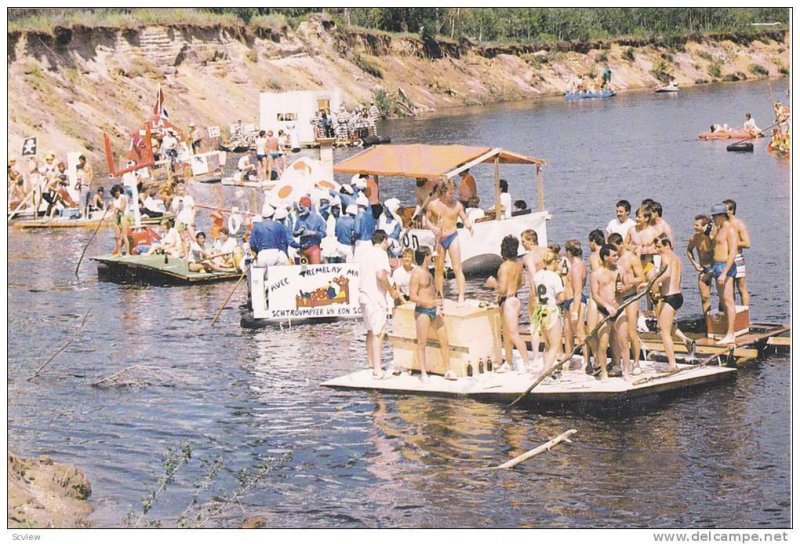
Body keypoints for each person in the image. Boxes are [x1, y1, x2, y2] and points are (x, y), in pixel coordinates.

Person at [358, 230, 402, 378]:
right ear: (384, 240)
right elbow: (381, 276)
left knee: (370, 330)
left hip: (364, 296)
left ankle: (371, 364)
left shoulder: (365, 254)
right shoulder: (381, 254)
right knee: (378, 332)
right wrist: (391, 291)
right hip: (375, 298)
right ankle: (377, 369)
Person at [408, 245, 455, 381]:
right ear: (425, 257)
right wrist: (430, 303)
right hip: (423, 311)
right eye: (430, 256)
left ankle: (448, 370)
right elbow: (412, 296)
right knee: (422, 343)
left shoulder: (428, 271)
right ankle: (423, 373)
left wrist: (437, 304)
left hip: (434, 309)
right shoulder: (417, 274)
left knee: (444, 340)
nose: (431, 257)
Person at [423, 180, 474, 304]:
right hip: (439, 238)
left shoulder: (457, 205)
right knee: (439, 268)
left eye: (453, 193)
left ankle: (461, 296)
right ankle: (439, 294)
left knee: (457, 267)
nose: (452, 196)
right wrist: (432, 228)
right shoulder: (433, 205)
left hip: (452, 235)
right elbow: (426, 220)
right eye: (450, 193)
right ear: (443, 192)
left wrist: (469, 226)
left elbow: (464, 218)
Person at [487, 236, 530, 372]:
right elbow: (522, 282)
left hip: (508, 301)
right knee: (506, 332)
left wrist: (493, 284)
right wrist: (513, 290)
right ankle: (509, 362)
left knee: (513, 334)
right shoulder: (518, 264)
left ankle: (526, 363)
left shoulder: (504, 267)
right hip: (513, 298)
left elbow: (502, 289)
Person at [651, 233, 695, 369]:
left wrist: (652, 282)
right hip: (677, 296)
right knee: (666, 325)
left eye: (659, 247)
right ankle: (686, 340)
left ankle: (672, 364)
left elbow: (667, 275)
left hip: (670, 297)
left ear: (667, 245)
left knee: (663, 331)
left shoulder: (665, 257)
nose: (657, 250)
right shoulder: (677, 258)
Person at [608, 232, 645, 375]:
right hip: (617, 299)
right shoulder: (613, 259)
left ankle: (636, 362)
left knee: (631, 331)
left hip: (631, 297)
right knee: (617, 332)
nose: (613, 251)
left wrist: (628, 285)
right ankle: (617, 362)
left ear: (621, 244)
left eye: (615, 247)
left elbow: (641, 277)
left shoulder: (631, 258)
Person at [590, 244, 628, 381]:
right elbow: (595, 295)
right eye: (614, 256)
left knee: (623, 341)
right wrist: (606, 306)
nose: (617, 258)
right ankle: (604, 372)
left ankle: (626, 372)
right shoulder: (596, 274)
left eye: (618, 255)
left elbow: (628, 286)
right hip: (604, 311)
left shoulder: (621, 270)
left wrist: (623, 289)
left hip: (619, 308)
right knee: (603, 343)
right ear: (606, 257)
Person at [710, 203, 739, 344]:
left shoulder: (730, 230)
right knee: (723, 301)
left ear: (722, 216)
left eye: (715, 216)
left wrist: (724, 273)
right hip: (717, 266)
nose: (713, 219)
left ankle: (731, 333)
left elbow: (733, 252)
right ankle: (728, 331)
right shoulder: (719, 229)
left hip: (725, 267)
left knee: (728, 301)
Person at [521, 229, 549, 362]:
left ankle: (537, 357)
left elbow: (533, 276)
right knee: (549, 324)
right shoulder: (547, 251)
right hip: (550, 290)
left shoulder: (528, 257)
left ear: (531, 241)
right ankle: (551, 352)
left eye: (524, 241)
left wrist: (535, 294)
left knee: (535, 326)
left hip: (537, 292)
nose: (523, 245)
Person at [562, 239, 588, 367]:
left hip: (574, 301)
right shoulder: (578, 263)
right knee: (567, 333)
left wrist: (575, 312)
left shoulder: (577, 267)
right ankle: (568, 359)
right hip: (569, 300)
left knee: (579, 332)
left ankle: (587, 360)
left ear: (569, 252)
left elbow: (578, 291)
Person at [723, 199, 751, 307]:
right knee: (729, 290)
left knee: (741, 287)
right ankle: (731, 313)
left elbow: (747, 243)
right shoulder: (722, 224)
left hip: (737, 258)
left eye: (724, 209)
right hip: (725, 259)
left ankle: (745, 312)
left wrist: (732, 243)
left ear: (731, 210)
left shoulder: (738, 224)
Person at [686, 214, 715, 316]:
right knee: (704, 297)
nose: (695, 227)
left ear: (705, 226)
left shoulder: (712, 238)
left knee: (723, 297)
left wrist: (711, 271)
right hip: (704, 269)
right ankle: (707, 321)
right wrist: (695, 263)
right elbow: (689, 250)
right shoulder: (694, 238)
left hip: (715, 267)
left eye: (697, 225)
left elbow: (720, 255)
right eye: (694, 225)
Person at [293, 196, 327, 264]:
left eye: (303, 208)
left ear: (308, 206)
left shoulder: (317, 218)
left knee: (314, 270)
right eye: (300, 208)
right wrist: (298, 232)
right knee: (303, 271)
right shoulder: (299, 219)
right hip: (302, 249)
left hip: (314, 248)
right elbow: (294, 233)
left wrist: (312, 233)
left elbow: (323, 234)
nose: (301, 210)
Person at [110, 184, 132, 256]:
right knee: (117, 236)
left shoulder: (122, 197)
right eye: (115, 192)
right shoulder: (114, 199)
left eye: (118, 191)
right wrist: (112, 206)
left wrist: (116, 207)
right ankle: (119, 252)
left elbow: (122, 208)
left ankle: (128, 252)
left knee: (124, 235)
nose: (117, 193)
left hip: (125, 216)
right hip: (118, 217)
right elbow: (113, 210)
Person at [353, 194, 375, 260]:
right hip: (369, 242)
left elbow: (357, 231)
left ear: (358, 205)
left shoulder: (358, 216)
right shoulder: (371, 217)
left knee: (358, 265)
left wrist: (353, 238)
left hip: (360, 243)